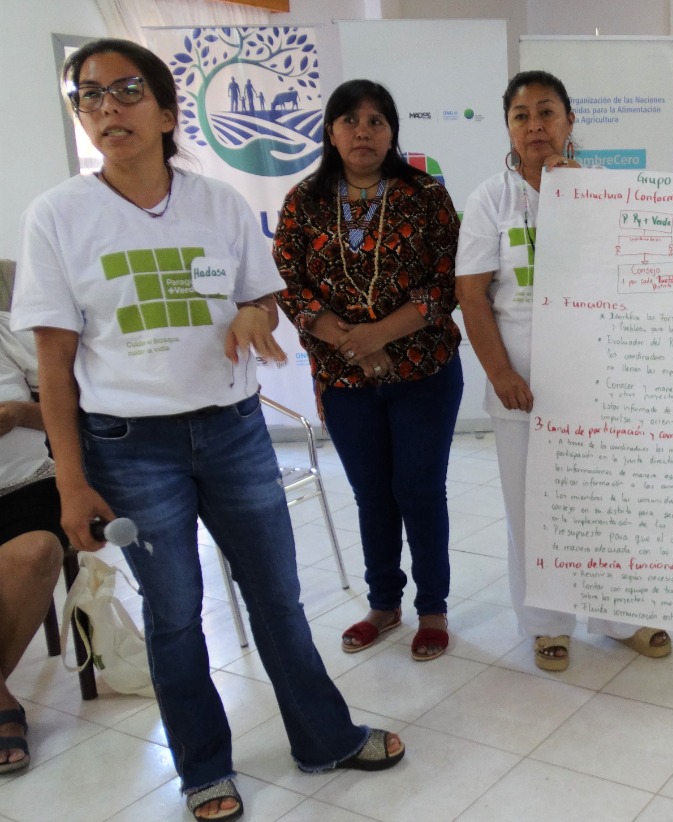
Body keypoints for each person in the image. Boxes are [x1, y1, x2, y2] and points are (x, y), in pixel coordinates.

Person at [13, 39, 404, 821]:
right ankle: (201, 767)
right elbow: (53, 366)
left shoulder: (217, 203)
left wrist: (254, 321)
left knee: (278, 597)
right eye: (88, 96)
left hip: (231, 429)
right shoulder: (57, 216)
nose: (107, 107)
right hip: (129, 444)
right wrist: (70, 478)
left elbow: (262, 296)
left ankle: (323, 736)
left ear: (164, 111)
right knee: (176, 610)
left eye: (126, 90)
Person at [455, 70, 672, 671]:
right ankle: (547, 622)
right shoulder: (488, 199)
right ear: (508, 128)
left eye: (546, 112)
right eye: (521, 116)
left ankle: (618, 616)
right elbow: (472, 295)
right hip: (521, 383)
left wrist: (587, 206)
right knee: (532, 506)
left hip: (598, 380)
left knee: (608, 502)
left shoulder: (604, 188)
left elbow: (636, 277)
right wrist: (500, 374)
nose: (535, 126)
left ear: (570, 122)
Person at [274, 79, 463, 662]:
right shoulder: (302, 202)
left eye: (377, 120)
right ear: (330, 132)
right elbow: (289, 284)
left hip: (424, 372)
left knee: (420, 490)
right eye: (350, 120)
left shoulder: (426, 196)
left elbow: (446, 284)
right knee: (372, 495)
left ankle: (433, 608)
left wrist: (379, 334)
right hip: (345, 379)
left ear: (392, 133)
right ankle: (384, 604)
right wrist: (354, 345)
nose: (363, 131)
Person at [0, 313, 63, 775]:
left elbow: (70, 415)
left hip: (25, 489)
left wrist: (19, 414)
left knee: (40, 550)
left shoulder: (8, 331)